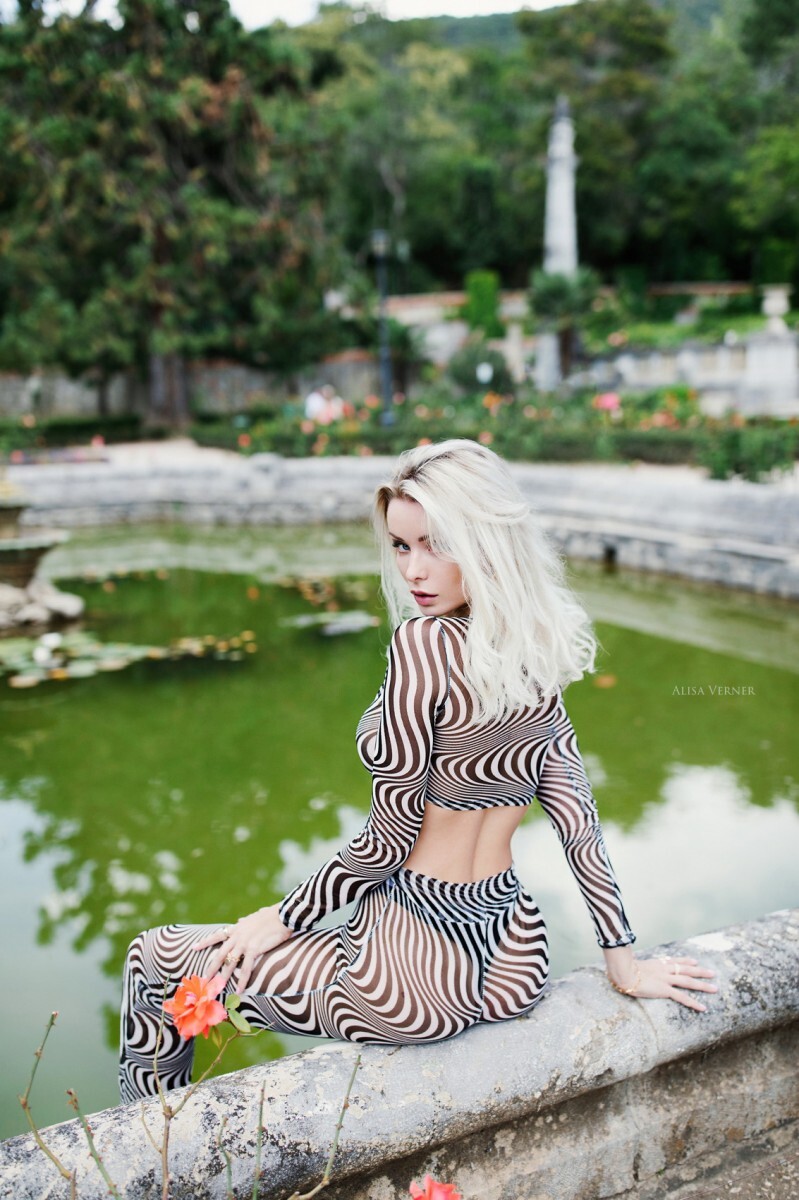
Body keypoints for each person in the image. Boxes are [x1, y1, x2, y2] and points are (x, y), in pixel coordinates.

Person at [119, 439, 716, 1102]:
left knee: (151, 959)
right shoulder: (535, 655)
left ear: (487, 542)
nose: (413, 570)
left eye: (436, 545)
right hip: (514, 958)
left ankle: (150, 1144)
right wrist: (623, 964)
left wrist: (284, 918)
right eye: (402, 546)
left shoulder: (423, 645)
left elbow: (390, 836)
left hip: (412, 972)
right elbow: (579, 823)